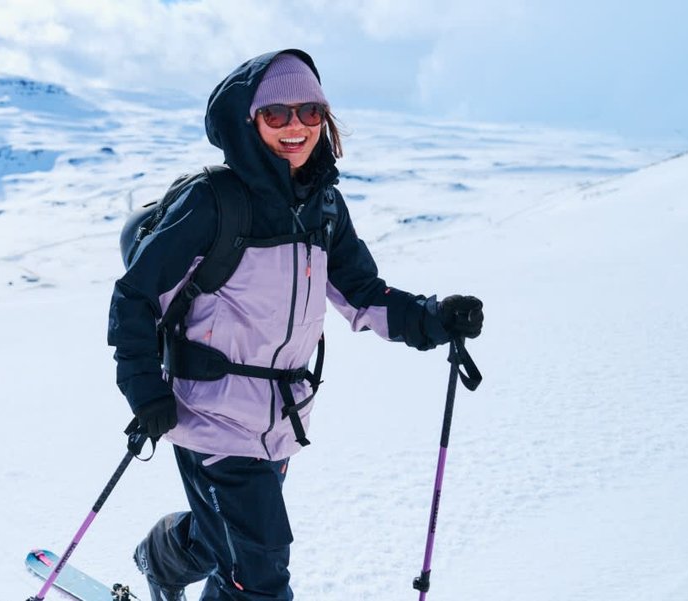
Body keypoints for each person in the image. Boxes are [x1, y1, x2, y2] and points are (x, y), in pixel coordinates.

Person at [106, 49, 484, 601]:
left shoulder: (323, 207)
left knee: (228, 543)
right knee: (258, 576)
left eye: (310, 111)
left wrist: (432, 317)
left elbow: (362, 294)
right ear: (249, 121)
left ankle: (163, 559)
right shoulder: (212, 202)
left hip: (281, 417)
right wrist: (145, 390)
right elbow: (135, 296)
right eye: (276, 113)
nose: (296, 127)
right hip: (208, 412)